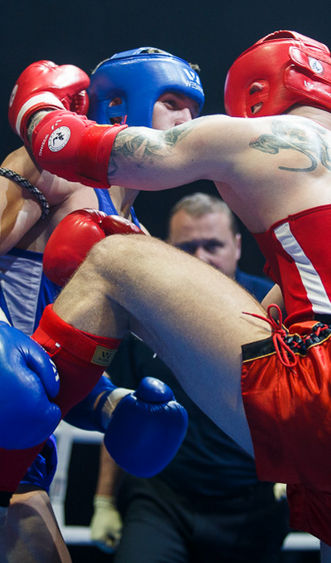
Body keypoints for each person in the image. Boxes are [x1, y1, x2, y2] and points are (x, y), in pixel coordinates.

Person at [0, 29, 331, 563]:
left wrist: (39, 106)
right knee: (139, 274)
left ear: (252, 96)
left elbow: (93, 150)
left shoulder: (273, 136)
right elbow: (269, 319)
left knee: (113, 258)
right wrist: (151, 299)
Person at [0, 47, 204, 563]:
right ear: (121, 108)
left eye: (194, 108)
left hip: (24, 442)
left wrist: (111, 407)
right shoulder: (55, 174)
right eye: (173, 103)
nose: (189, 122)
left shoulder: (140, 241)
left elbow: (59, 364)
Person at [90, 192, 290, 562]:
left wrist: (296, 469)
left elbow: (302, 400)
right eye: (187, 246)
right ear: (168, 249)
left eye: (212, 245)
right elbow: (120, 408)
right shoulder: (143, 312)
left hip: (250, 502)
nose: (201, 258)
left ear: (236, 246)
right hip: (161, 497)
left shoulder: (276, 309)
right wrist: (104, 500)